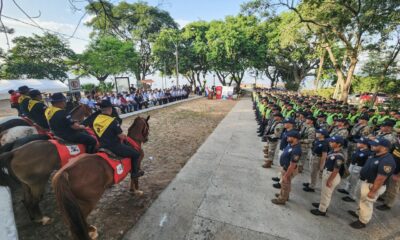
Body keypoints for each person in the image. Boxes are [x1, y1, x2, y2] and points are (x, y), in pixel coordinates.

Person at [348, 138, 396, 229]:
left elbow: (381, 178)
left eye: (375, 145)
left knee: (367, 203)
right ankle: (359, 213)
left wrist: (373, 191)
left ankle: (363, 221)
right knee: (361, 200)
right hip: (365, 181)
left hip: (372, 185)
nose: (372, 146)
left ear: (384, 148)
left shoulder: (387, 161)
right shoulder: (375, 154)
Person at [93, 100, 144, 180]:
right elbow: (120, 136)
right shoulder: (112, 121)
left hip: (102, 145)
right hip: (114, 146)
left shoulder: (96, 120)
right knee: (136, 154)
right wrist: (124, 136)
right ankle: (134, 173)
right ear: (110, 109)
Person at [310, 136, 346, 216]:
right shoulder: (333, 151)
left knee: (326, 193)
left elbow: (336, 170)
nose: (330, 143)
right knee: (324, 192)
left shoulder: (339, 155)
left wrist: (330, 180)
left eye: (332, 142)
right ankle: (322, 204)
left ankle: (322, 210)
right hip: (328, 173)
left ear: (339, 144)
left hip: (332, 175)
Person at [271, 130, 302, 205]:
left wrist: (286, 175)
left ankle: (282, 199)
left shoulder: (296, 150)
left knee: (285, 184)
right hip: (285, 167)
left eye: (289, 137)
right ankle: (284, 195)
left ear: (295, 138)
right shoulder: (290, 144)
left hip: (289, 169)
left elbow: (292, 165)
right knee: (285, 183)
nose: (287, 138)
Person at [338, 137, 372, 202]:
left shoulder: (368, 153)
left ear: (365, 144)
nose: (357, 143)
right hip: (352, 165)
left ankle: (352, 196)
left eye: (359, 142)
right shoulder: (358, 149)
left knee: (355, 182)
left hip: (359, 167)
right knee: (349, 178)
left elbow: (367, 163)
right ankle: (347, 189)